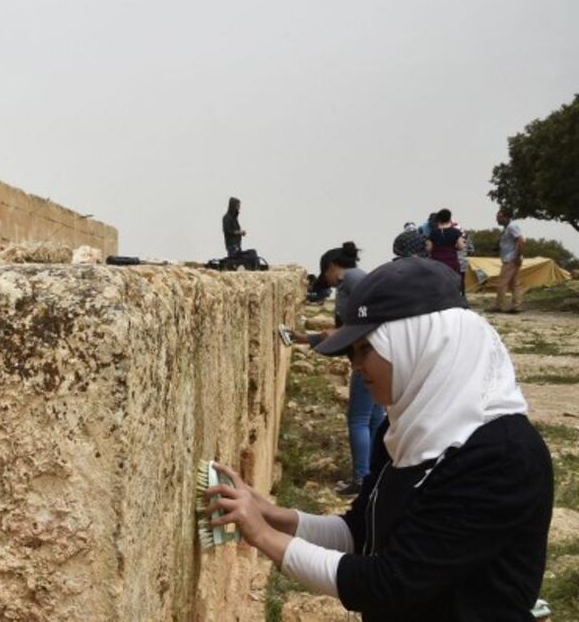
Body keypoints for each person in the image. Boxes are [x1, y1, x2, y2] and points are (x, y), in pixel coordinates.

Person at [206, 257, 552, 621]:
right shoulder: (405, 431)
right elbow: (361, 531)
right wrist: (272, 515)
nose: (354, 366)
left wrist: (264, 536)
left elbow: (391, 582)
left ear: (417, 344)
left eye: (365, 349)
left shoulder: (502, 457)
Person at [290, 242, 384, 496]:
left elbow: (348, 328)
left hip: (366, 355)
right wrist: (306, 338)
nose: (329, 283)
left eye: (326, 274)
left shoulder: (347, 283)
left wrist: (323, 336)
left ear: (332, 267)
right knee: (375, 418)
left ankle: (361, 479)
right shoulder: (363, 277)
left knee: (358, 419)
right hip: (382, 353)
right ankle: (375, 475)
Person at [490, 207, 526, 314]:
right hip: (513, 258)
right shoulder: (507, 228)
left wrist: (517, 256)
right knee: (514, 284)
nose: (497, 219)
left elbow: (521, 240)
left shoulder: (512, 226)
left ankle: (499, 305)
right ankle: (516, 306)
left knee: (502, 283)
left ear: (506, 217)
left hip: (511, 259)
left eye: (499, 217)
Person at [425, 209, 465, 292]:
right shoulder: (456, 232)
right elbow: (461, 247)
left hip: (436, 261)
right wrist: (455, 247)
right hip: (451, 261)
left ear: (439, 219)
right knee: (452, 283)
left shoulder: (433, 233)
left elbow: (428, 248)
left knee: (438, 283)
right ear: (449, 218)